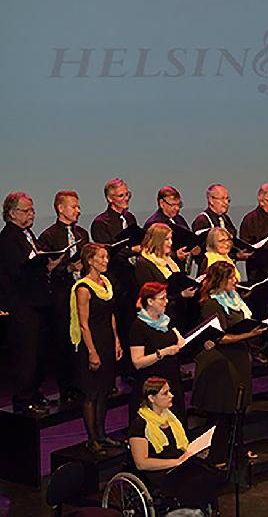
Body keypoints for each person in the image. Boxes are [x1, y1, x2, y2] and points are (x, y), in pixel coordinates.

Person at [193, 262, 264, 465]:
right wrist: (249, 334)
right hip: (222, 361)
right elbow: (219, 337)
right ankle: (218, 454)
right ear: (220, 280)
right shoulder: (211, 304)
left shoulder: (234, 298)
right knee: (223, 409)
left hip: (238, 357)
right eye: (231, 277)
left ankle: (237, 450)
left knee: (237, 408)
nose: (236, 280)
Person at [0, 192, 60, 413]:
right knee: (26, 354)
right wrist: (42, 265)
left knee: (39, 352)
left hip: (37, 301)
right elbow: (17, 271)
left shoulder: (27, 234)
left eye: (32, 210)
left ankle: (35, 392)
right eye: (26, 211)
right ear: (12, 213)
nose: (31, 214)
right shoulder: (8, 238)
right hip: (22, 304)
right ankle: (24, 399)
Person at [129, 376, 224, 511]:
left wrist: (195, 453)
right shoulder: (140, 425)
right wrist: (175, 462)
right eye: (165, 393)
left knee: (207, 473)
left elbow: (181, 446)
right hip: (159, 471)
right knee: (194, 480)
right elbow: (141, 463)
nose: (171, 395)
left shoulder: (171, 418)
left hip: (178, 464)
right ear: (151, 398)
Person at [70, 243, 123, 454]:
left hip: (107, 341)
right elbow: (84, 324)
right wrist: (92, 352)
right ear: (89, 261)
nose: (105, 261)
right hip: (92, 344)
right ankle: (92, 439)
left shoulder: (106, 284)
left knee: (104, 391)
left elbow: (111, 315)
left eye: (106, 257)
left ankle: (102, 434)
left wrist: (116, 340)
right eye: (101, 257)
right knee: (91, 394)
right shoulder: (83, 288)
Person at [39, 191, 90, 404]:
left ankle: (83, 383)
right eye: (73, 206)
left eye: (78, 206)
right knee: (64, 342)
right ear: (61, 208)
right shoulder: (48, 236)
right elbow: (43, 270)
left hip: (84, 292)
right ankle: (67, 388)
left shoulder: (82, 234)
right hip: (61, 296)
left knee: (85, 339)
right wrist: (67, 268)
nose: (78, 210)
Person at [90, 178, 139, 362]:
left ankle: (133, 363)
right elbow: (107, 252)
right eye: (121, 195)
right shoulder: (101, 223)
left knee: (133, 324)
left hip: (131, 278)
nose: (126, 198)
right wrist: (131, 250)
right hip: (115, 280)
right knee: (120, 324)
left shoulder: (130, 218)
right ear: (110, 199)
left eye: (127, 194)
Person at [129, 282, 187, 423]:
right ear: (150, 301)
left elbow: (180, 340)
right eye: (162, 298)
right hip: (153, 384)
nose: (166, 302)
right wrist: (163, 352)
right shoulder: (138, 326)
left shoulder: (166, 320)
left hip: (172, 378)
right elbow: (137, 362)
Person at [134, 223, 197, 330]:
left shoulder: (168, 259)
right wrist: (180, 295)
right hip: (161, 317)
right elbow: (149, 295)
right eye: (166, 239)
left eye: (171, 239)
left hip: (179, 311)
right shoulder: (143, 263)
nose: (171, 243)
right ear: (157, 241)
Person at [143, 186, 198, 272]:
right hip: (163, 270)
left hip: (180, 268)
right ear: (162, 203)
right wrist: (175, 255)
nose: (177, 208)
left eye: (179, 205)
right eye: (173, 205)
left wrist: (193, 249)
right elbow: (151, 250)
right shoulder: (154, 224)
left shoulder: (179, 219)